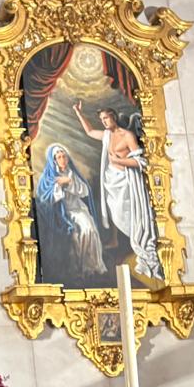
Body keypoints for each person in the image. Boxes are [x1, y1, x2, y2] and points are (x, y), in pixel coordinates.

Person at [72, 100, 160, 279]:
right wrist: (78, 113)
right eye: (102, 119)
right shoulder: (107, 136)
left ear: (113, 117)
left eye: (106, 118)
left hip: (126, 184)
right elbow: (89, 131)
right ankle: (122, 240)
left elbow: (139, 161)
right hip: (112, 183)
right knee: (116, 214)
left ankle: (138, 245)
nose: (104, 122)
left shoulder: (127, 135)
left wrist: (119, 161)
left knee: (131, 215)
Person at [33, 142, 106, 284]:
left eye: (64, 156)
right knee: (75, 236)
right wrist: (59, 185)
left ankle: (91, 267)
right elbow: (43, 198)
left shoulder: (72, 174)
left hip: (77, 209)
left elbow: (84, 191)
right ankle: (77, 270)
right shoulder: (48, 177)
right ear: (53, 160)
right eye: (59, 157)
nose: (62, 159)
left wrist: (70, 182)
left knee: (89, 230)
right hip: (60, 213)